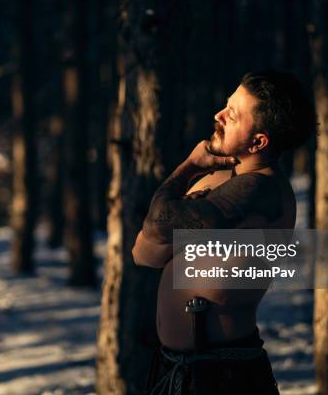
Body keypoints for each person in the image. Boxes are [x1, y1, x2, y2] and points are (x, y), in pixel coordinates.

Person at [132, 70, 317, 394]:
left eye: (231, 114)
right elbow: (144, 253)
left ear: (259, 141)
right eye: (225, 106)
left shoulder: (260, 189)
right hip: (174, 370)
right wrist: (169, 222)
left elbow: (158, 224)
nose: (218, 115)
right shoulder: (219, 180)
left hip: (223, 376)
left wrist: (189, 166)